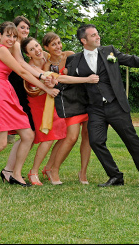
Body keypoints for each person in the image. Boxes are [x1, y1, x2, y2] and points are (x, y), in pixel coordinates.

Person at [56, 24, 139, 187]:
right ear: (83, 40)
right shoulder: (74, 60)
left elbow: (130, 60)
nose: (98, 37)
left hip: (116, 105)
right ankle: (115, 176)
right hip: (95, 109)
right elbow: (67, 78)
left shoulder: (108, 52)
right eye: (93, 35)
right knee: (96, 141)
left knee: (131, 140)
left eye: (97, 34)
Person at [0, 22, 59, 189]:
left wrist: (43, 75)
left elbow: (24, 66)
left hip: (6, 92)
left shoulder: (9, 50)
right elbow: (22, 71)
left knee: (28, 135)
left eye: (14, 36)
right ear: (0, 35)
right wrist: (45, 87)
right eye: (7, 35)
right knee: (0, 143)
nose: (11, 39)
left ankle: (16, 174)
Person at [21, 37, 99, 185]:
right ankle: (33, 172)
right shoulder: (33, 66)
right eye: (32, 49)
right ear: (27, 55)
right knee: (48, 137)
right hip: (39, 103)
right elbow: (59, 79)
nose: (37, 50)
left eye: (37, 46)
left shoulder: (46, 57)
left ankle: (49, 168)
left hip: (52, 100)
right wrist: (87, 79)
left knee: (62, 135)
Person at [1, 16, 52, 183]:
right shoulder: (14, 45)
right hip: (14, 90)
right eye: (22, 28)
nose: (25, 31)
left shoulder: (19, 46)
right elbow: (22, 66)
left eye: (27, 28)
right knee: (27, 134)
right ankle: (10, 171)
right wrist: (41, 76)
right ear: (14, 29)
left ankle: (10, 171)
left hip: (20, 91)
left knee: (28, 135)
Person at [41, 32, 94, 185]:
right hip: (69, 101)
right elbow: (49, 82)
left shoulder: (71, 55)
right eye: (53, 44)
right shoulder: (47, 66)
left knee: (88, 136)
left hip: (85, 97)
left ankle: (83, 173)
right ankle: (53, 170)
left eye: (59, 42)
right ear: (47, 48)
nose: (58, 46)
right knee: (71, 137)